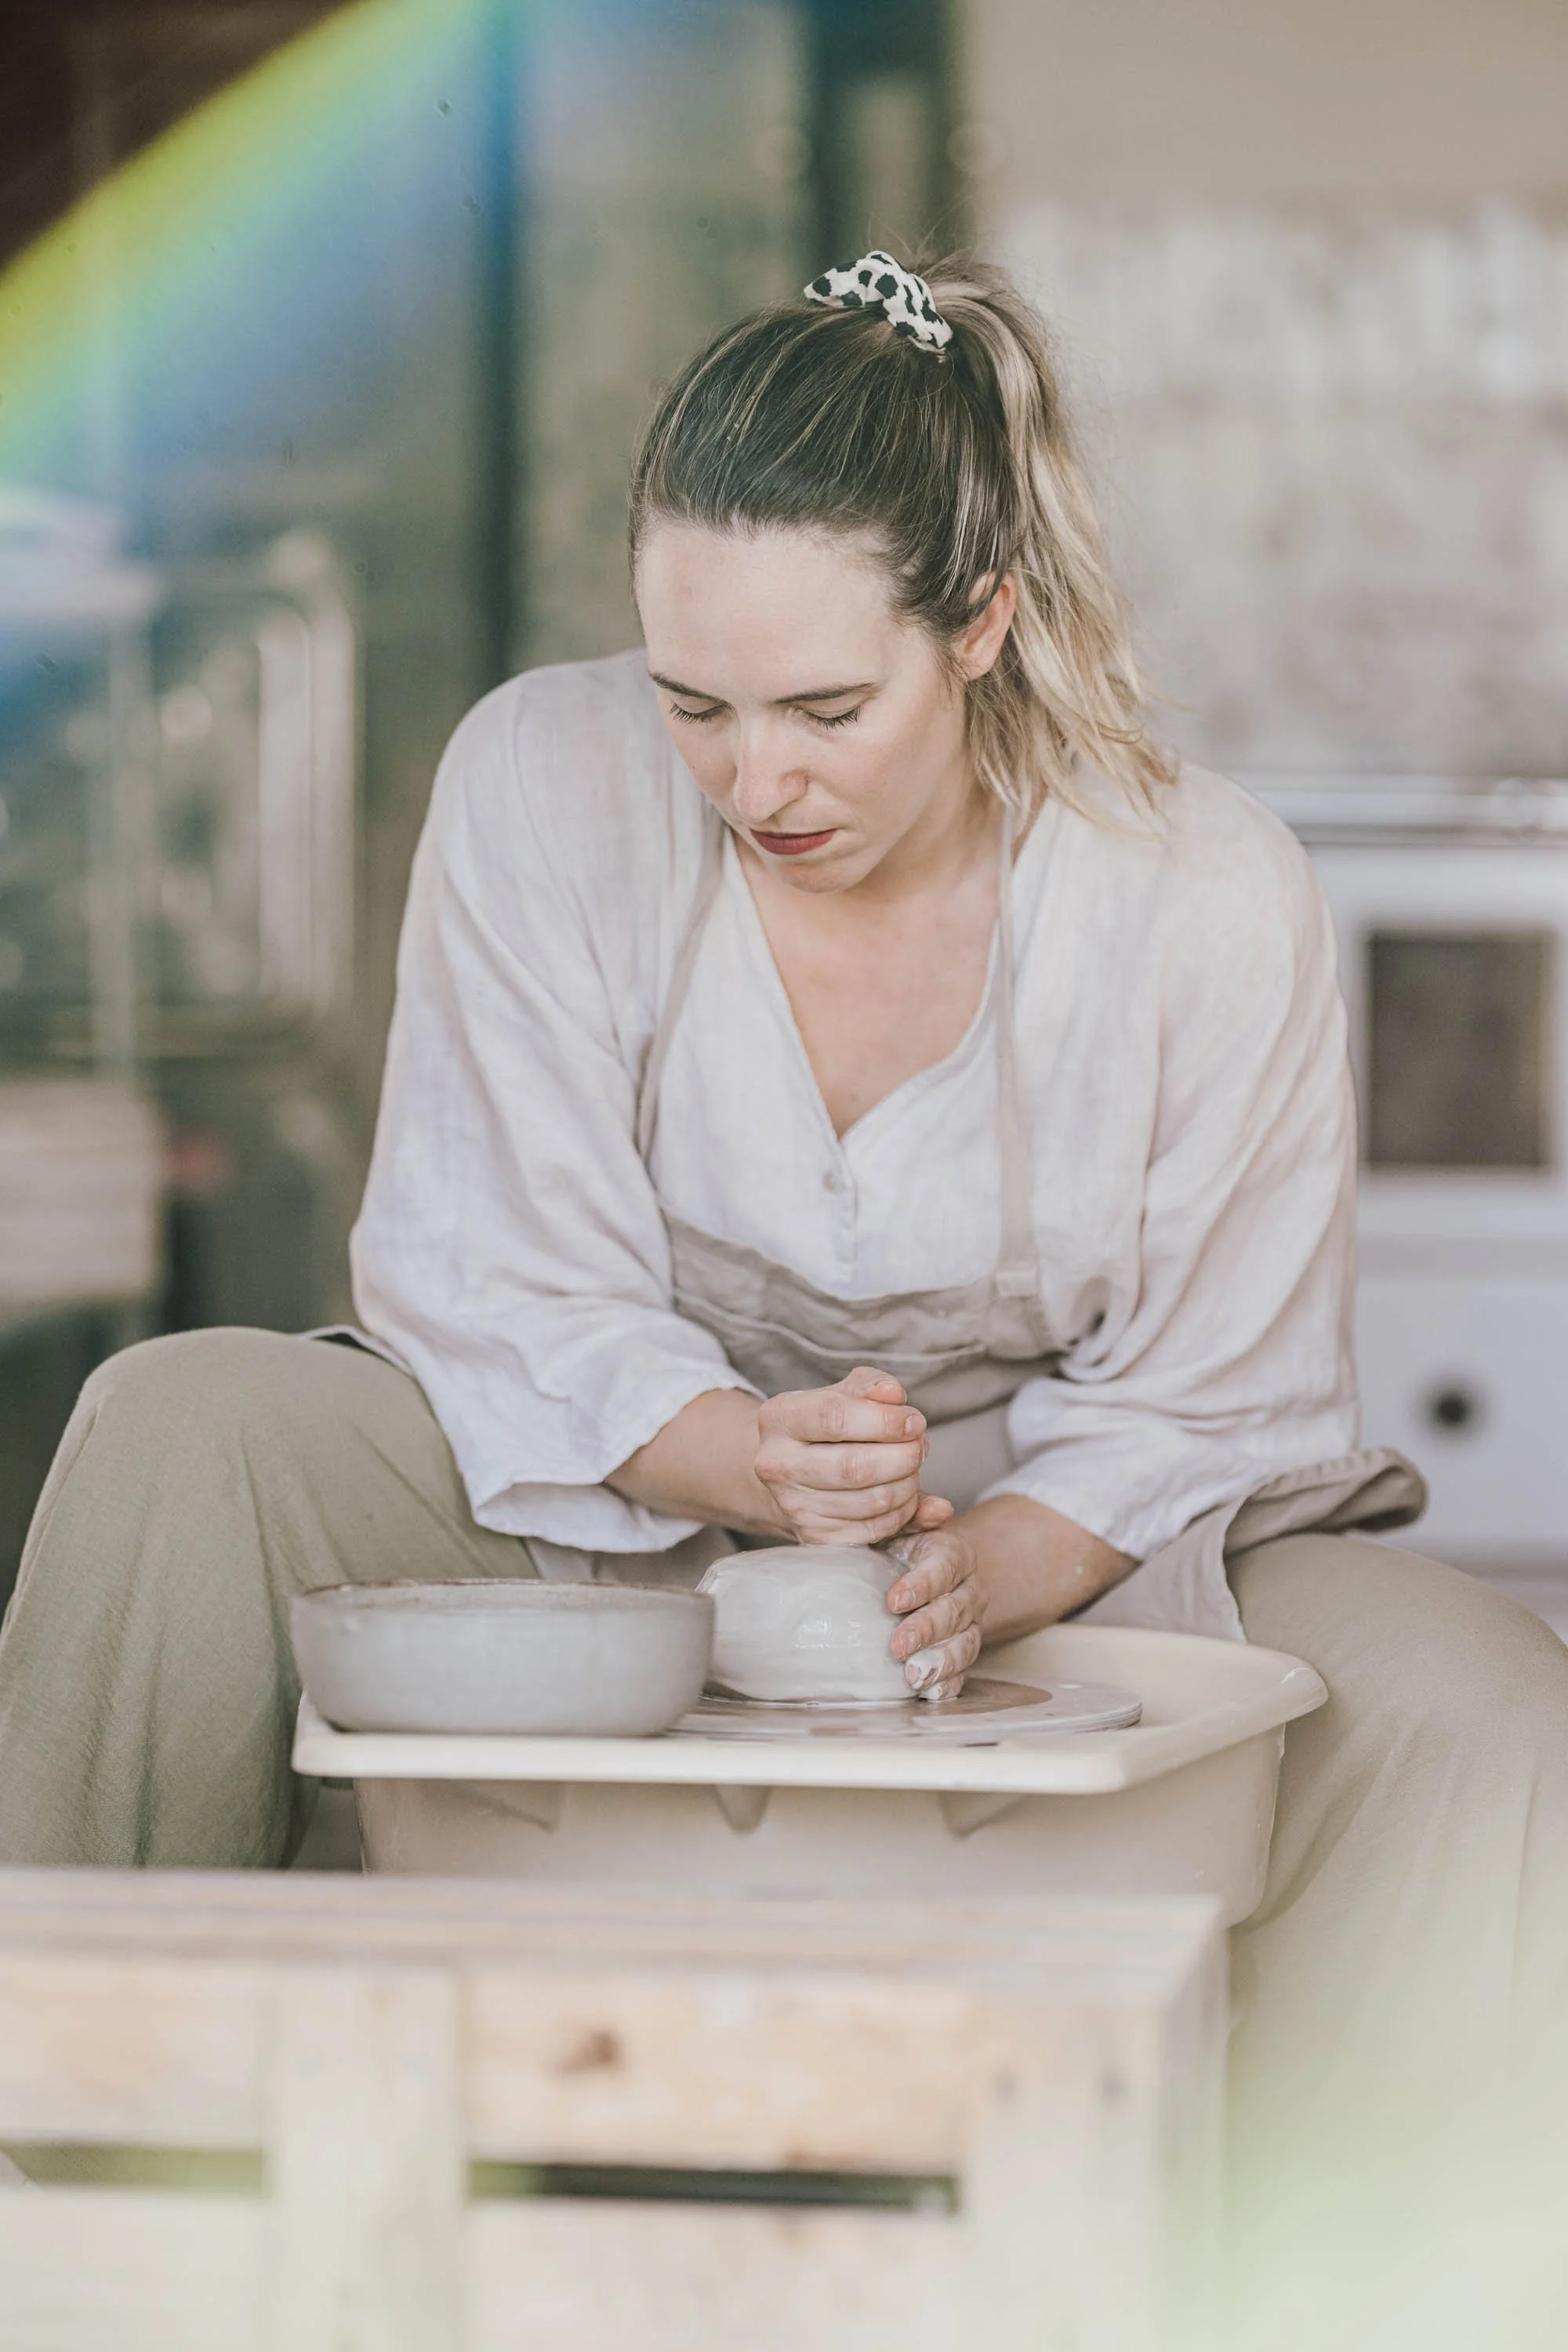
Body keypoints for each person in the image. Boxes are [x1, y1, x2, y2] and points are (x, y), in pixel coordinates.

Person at [1, 253, 1566, 2321]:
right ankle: (77, 2196)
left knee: (1482, 1702)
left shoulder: (1205, 894)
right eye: (695, 707)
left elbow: (1212, 1392)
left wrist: (975, 1571)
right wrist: (743, 1460)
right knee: (181, 1425)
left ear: (980, 621)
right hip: (593, 1481)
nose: (758, 784)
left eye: (828, 711)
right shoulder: (536, 781)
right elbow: (497, 1269)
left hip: (1062, 1538)